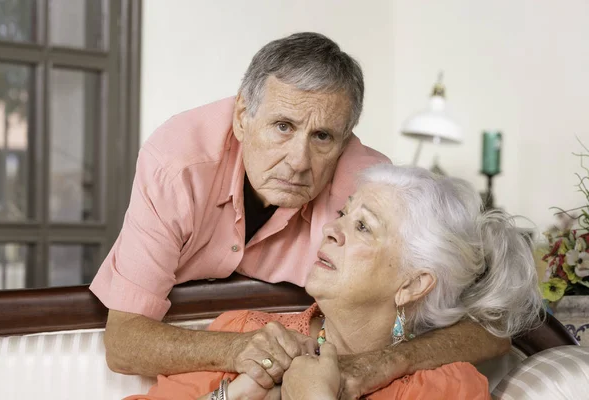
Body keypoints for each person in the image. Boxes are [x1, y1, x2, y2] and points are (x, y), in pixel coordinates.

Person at [91, 32, 510, 399]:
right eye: (283, 127)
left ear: (344, 141)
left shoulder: (364, 185)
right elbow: (125, 340)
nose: (298, 161)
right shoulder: (177, 164)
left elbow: (495, 322)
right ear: (242, 118)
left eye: (323, 136)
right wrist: (237, 353)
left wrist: (381, 364)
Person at [125, 164, 543, 400]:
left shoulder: (443, 390)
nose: (331, 230)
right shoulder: (246, 336)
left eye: (363, 226)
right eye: (343, 213)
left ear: (412, 285)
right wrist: (235, 395)